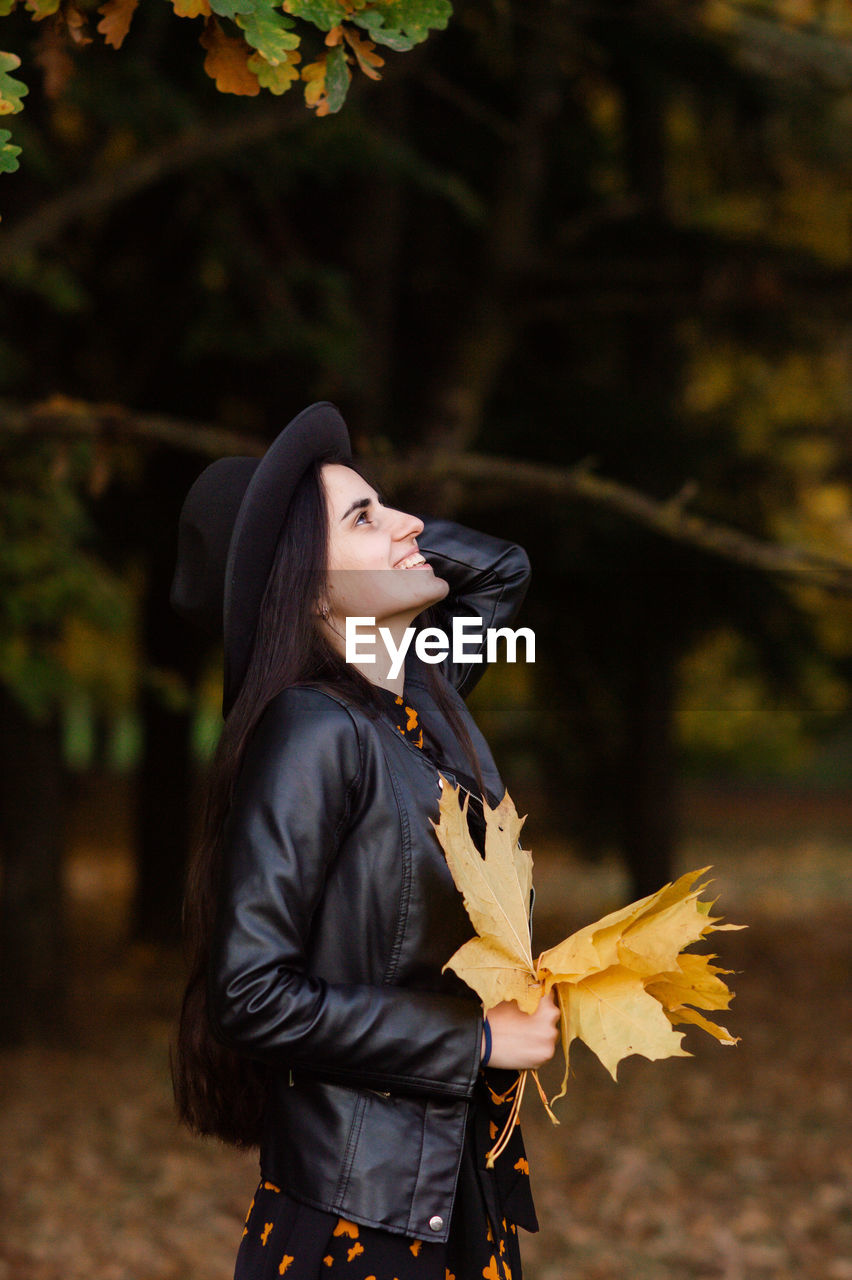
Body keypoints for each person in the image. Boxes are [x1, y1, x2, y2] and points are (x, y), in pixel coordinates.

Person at [170, 402, 560, 1280]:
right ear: (306, 586)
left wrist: (378, 547)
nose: (410, 523)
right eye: (364, 516)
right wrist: (477, 1042)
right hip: (361, 1223)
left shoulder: (424, 704)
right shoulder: (314, 729)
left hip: (456, 1191)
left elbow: (501, 572)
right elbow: (252, 994)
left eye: (389, 506)